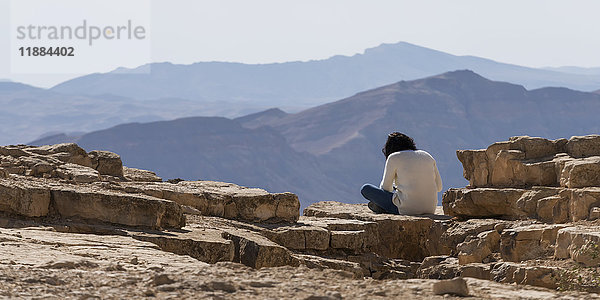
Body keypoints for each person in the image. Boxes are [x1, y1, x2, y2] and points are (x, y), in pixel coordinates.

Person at [360, 132, 442, 215]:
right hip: (430, 209)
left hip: (406, 210)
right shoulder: (427, 155)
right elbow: (439, 187)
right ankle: (380, 206)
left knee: (366, 188)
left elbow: (386, 188)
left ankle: (381, 206)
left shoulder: (394, 157)